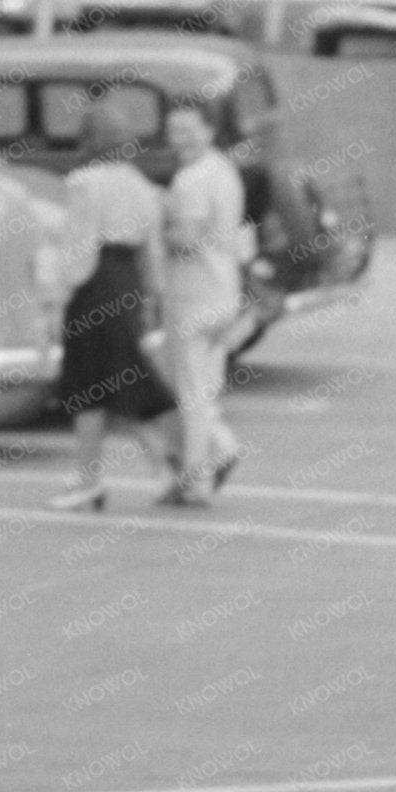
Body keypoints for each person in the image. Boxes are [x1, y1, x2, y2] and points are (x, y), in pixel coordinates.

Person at [47, 103, 178, 511]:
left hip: (94, 284)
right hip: (128, 284)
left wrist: (59, 296)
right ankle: (161, 464)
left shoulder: (84, 181)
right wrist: (153, 298)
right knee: (119, 379)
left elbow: (78, 247)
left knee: (87, 386)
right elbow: (153, 250)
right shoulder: (142, 184)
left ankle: (92, 480)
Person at [154, 100, 249, 505]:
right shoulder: (224, 171)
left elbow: (186, 240)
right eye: (175, 131)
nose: (181, 140)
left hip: (193, 296)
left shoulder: (189, 180)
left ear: (210, 131)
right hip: (224, 290)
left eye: (189, 130)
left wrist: (159, 219)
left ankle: (197, 478)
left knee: (190, 395)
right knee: (205, 389)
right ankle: (221, 449)